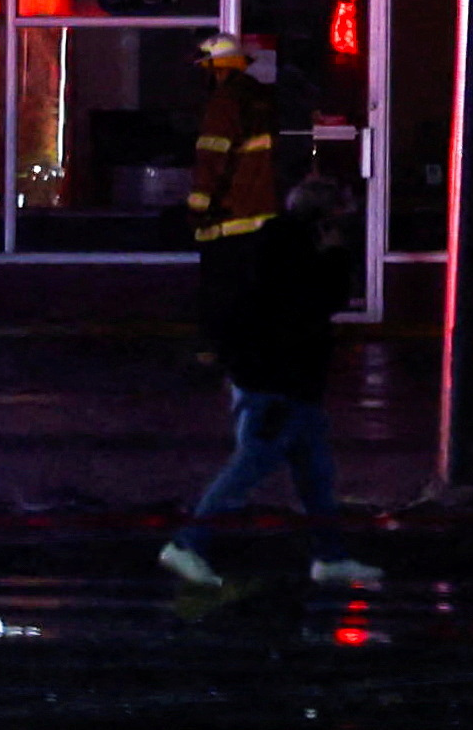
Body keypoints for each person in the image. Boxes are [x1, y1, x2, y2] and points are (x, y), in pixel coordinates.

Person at [159, 172, 383, 591]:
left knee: (314, 475)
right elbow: (323, 301)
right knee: (251, 464)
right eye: (339, 219)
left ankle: (330, 556)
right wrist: (335, 257)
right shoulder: (295, 253)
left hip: (286, 381)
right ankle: (189, 545)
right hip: (277, 382)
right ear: (324, 219)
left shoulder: (275, 245)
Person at [187, 32, 283, 302]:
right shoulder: (263, 98)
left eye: (206, 70)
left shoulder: (224, 103)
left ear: (219, 70)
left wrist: (198, 209)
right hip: (264, 215)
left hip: (228, 219)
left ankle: (221, 342)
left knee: (223, 296)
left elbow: (212, 159)